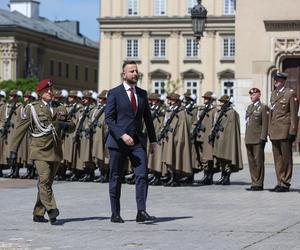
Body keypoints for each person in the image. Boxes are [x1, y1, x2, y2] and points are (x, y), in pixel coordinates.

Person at [9, 79, 75, 224]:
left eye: (51, 89)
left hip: (56, 150)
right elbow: (19, 130)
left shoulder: (60, 107)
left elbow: (72, 126)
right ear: (40, 93)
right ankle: (52, 209)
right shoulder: (32, 108)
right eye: (47, 90)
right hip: (39, 150)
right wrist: (13, 151)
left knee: (47, 183)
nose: (50, 92)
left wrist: (63, 125)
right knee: (44, 180)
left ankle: (38, 213)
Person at [105, 61, 157, 223]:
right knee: (115, 176)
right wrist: (122, 135)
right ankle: (115, 213)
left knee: (142, 175)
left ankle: (141, 211)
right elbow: (109, 119)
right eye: (131, 71)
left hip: (137, 142)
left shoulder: (142, 94)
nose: (135, 73)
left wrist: (153, 140)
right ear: (124, 74)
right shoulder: (114, 93)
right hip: (118, 143)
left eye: (136, 71)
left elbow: (147, 118)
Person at [269, 72, 298, 192]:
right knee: (277, 159)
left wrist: (293, 131)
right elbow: (271, 113)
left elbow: (294, 114)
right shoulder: (274, 94)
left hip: (285, 130)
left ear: (283, 81)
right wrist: (269, 130)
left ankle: (286, 183)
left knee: (286, 158)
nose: (275, 81)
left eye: (278, 80)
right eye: (275, 79)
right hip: (275, 130)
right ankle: (279, 181)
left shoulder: (290, 94)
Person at [211, 95, 243, 185]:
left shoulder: (231, 113)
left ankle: (226, 177)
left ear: (227, 103)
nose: (220, 103)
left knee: (227, 159)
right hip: (219, 138)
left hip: (227, 140)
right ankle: (223, 176)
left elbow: (231, 128)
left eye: (222, 102)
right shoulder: (220, 112)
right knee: (221, 159)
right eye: (220, 101)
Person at [245, 88, 268, 191]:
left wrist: (263, 138)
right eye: (251, 95)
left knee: (258, 162)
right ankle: (254, 182)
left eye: (253, 94)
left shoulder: (263, 108)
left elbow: (265, 124)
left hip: (258, 139)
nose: (251, 96)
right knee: (251, 162)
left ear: (259, 95)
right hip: (249, 138)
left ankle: (259, 184)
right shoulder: (249, 107)